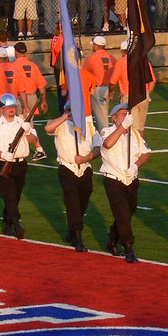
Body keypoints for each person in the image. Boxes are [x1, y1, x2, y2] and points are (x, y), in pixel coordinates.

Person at [0, 93, 41, 238]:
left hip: (21, 164)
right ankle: (16, 224)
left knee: (16, 195)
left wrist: (27, 131)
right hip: (3, 163)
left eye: (13, 107)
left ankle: (7, 223)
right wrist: (2, 154)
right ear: (2, 109)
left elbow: (34, 141)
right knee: (10, 196)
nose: (11, 110)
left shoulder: (22, 122)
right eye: (8, 107)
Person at [45, 102, 100, 252]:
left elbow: (97, 147)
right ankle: (77, 236)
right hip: (67, 168)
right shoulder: (60, 125)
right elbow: (48, 128)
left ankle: (72, 228)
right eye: (70, 110)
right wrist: (64, 117)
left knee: (83, 200)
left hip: (85, 168)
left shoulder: (88, 125)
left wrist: (86, 158)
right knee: (72, 202)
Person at [99, 102, 150, 263]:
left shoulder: (134, 133)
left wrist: (135, 166)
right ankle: (128, 247)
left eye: (128, 114)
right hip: (113, 178)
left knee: (128, 212)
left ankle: (112, 239)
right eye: (122, 114)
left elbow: (145, 153)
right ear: (114, 118)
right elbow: (108, 144)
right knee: (122, 212)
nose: (126, 117)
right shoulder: (107, 131)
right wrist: (123, 128)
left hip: (131, 179)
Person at [83, 35, 115, 130]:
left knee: (101, 119)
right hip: (109, 88)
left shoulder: (91, 58)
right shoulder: (112, 58)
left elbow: (84, 74)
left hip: (97, 88)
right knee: (104, 114)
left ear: (96, 46)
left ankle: (105, 135)